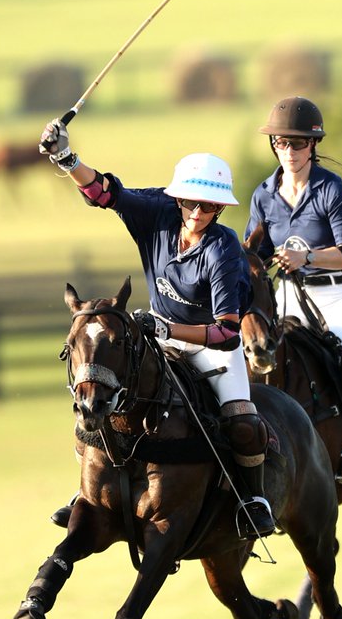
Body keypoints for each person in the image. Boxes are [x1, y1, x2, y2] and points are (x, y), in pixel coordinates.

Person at [38, 118, 276, 536]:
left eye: (208, 207)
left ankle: (251, 501)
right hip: (156, 336)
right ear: (177, 198)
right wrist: (66, 157)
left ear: (220, 208)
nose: (198, 213)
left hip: (207, 346)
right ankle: (88, 492)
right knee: (105, 394)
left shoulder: (224, 251)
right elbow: (104, 192)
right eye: (190, 203)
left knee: (242, 421)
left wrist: (169, 330)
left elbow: (226, 333)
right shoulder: (157, 213)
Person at [245, 96, 342, 490]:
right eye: (282, 143)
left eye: (298, 143)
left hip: (340, 293)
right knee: (257, 355)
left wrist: (308, 256)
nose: (289, 151)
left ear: (313, 145)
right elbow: (255, 249)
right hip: (288, 293)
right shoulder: (263, 195)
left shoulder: (332, 191)